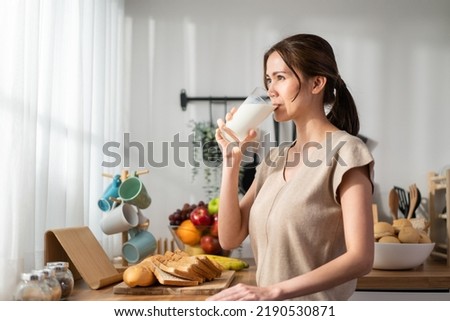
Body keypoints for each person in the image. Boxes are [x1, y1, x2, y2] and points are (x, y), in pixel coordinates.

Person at [208, 34, 375, 301]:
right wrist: (231, 162)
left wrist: (273, 291)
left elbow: (361, 258)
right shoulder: (274, 160)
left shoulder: (347, 152)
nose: (270, 90)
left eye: (280, 78)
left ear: (317, 83)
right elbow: (230, 238)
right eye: (268, 80)